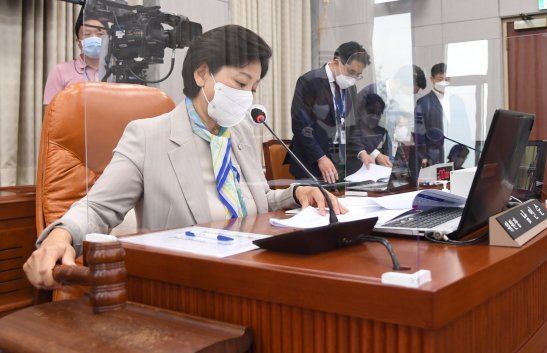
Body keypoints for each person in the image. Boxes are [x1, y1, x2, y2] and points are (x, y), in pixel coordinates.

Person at [24, 25, 347, 289]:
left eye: (254, 87)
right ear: (202, 73)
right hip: (191, 280)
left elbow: (255, 197)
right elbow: (98, 208)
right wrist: (59, 236)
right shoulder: (147, 135)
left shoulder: (240, 132)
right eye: (240, 83)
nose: (247, 96)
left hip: (257, 264)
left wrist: (297, 192)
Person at [287, 42, 370, 184]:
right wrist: (320, 157)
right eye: (351, 72)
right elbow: (300, 125)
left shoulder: (350, 88)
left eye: (358, 75)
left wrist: (361, 151)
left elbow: (351, 125)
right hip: (311, 162)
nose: (353, 78)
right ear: (336, 62)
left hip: (340, 163)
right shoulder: (309, 81)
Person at [43, 13, 106, 106]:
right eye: (87, 34)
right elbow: (51, 112)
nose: (94, 38)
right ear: (78, 41)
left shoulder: (118, 71)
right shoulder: (60, 71)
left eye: (99, 34)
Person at [414, 63, 449, 167]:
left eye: (447, 79)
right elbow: (418, 131)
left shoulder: (456, 101)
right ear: (432, 79)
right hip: (433, 156)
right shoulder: (423, 102)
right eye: (440, 79)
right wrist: (423, 156)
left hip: (454, 155)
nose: (444, 82)